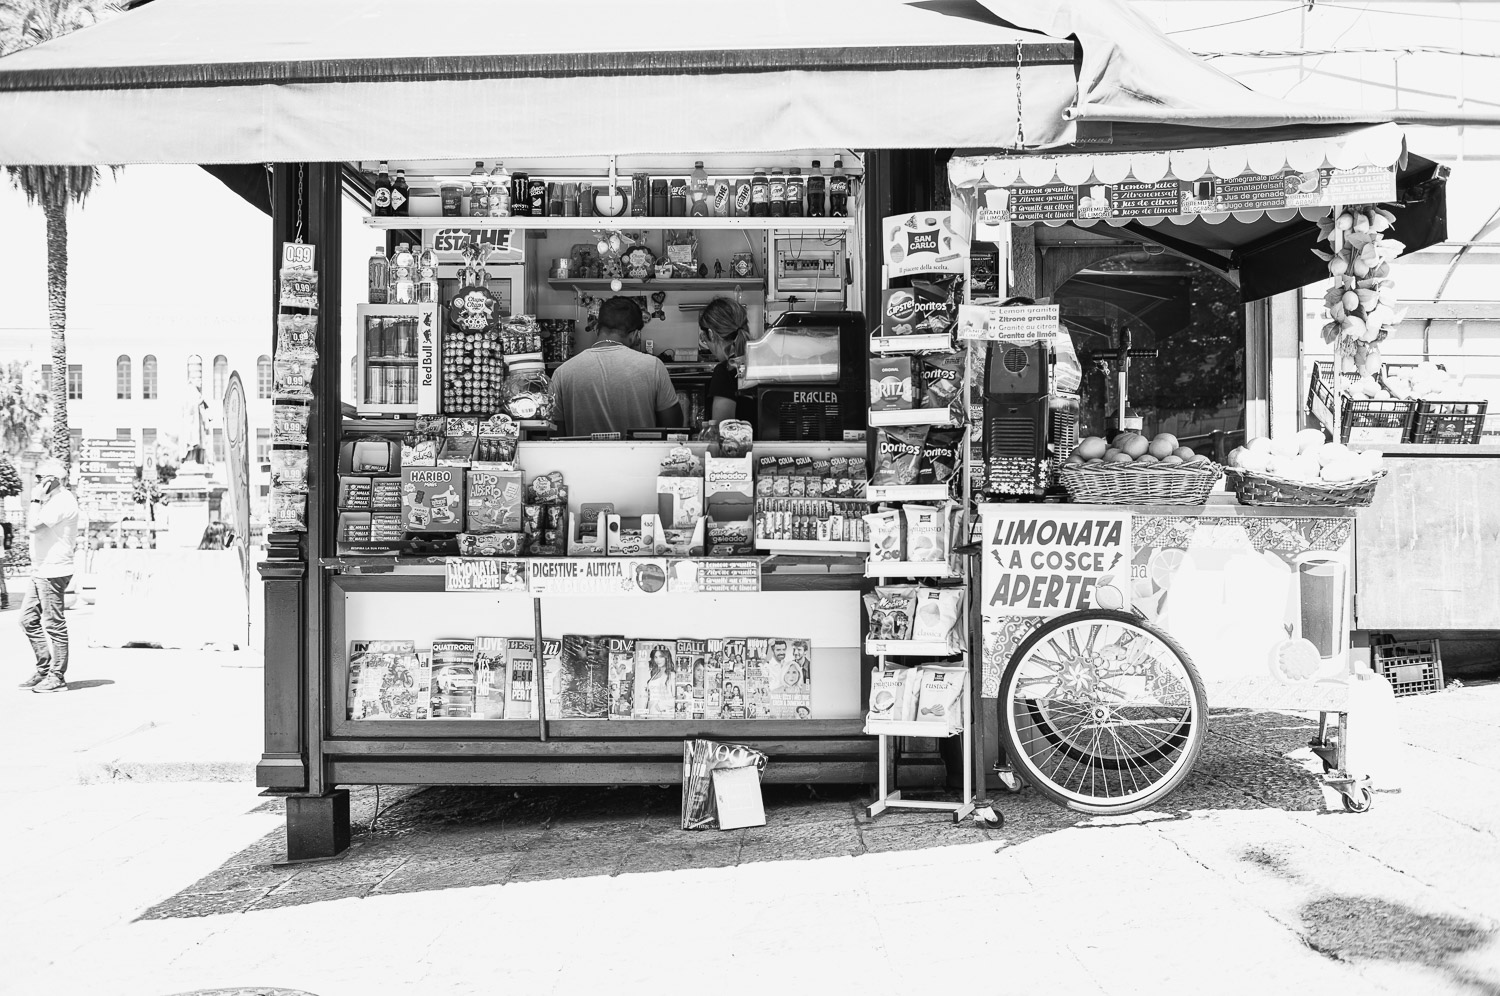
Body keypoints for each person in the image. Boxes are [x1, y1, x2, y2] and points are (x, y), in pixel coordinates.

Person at [550, 297, 683, 436]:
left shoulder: (562, 373)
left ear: (597, 328)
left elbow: (555, 435)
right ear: (635, 334)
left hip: (580, 451)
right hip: (639, 451)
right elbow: (673, 426)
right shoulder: (653, 366)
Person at [19, 458, 79, 692]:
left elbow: (33, 526)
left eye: (40, 478)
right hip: (42, 569)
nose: (36, 482)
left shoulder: (62, 501)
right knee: (27, 619)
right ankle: (44, 670)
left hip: (54, 570)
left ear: (53, 480)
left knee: (54, 623)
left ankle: (57, 676)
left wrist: (35, 499)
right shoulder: (53, 501)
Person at [698, 297, 757, 425]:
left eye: (704, 338)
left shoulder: (725, 371)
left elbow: (723, 430)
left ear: (711, 334)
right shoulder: (762, 362)